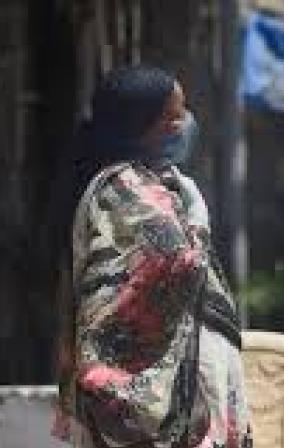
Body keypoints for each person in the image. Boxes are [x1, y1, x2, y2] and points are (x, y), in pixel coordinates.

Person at [53, 66, 252, 448]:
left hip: (173, 388)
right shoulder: (124, 187)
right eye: (173, 116)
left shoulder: (149, 181)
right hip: (147, 399)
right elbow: (178, 261)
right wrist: (197, 220)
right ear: (139, 125)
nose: (185, 123)